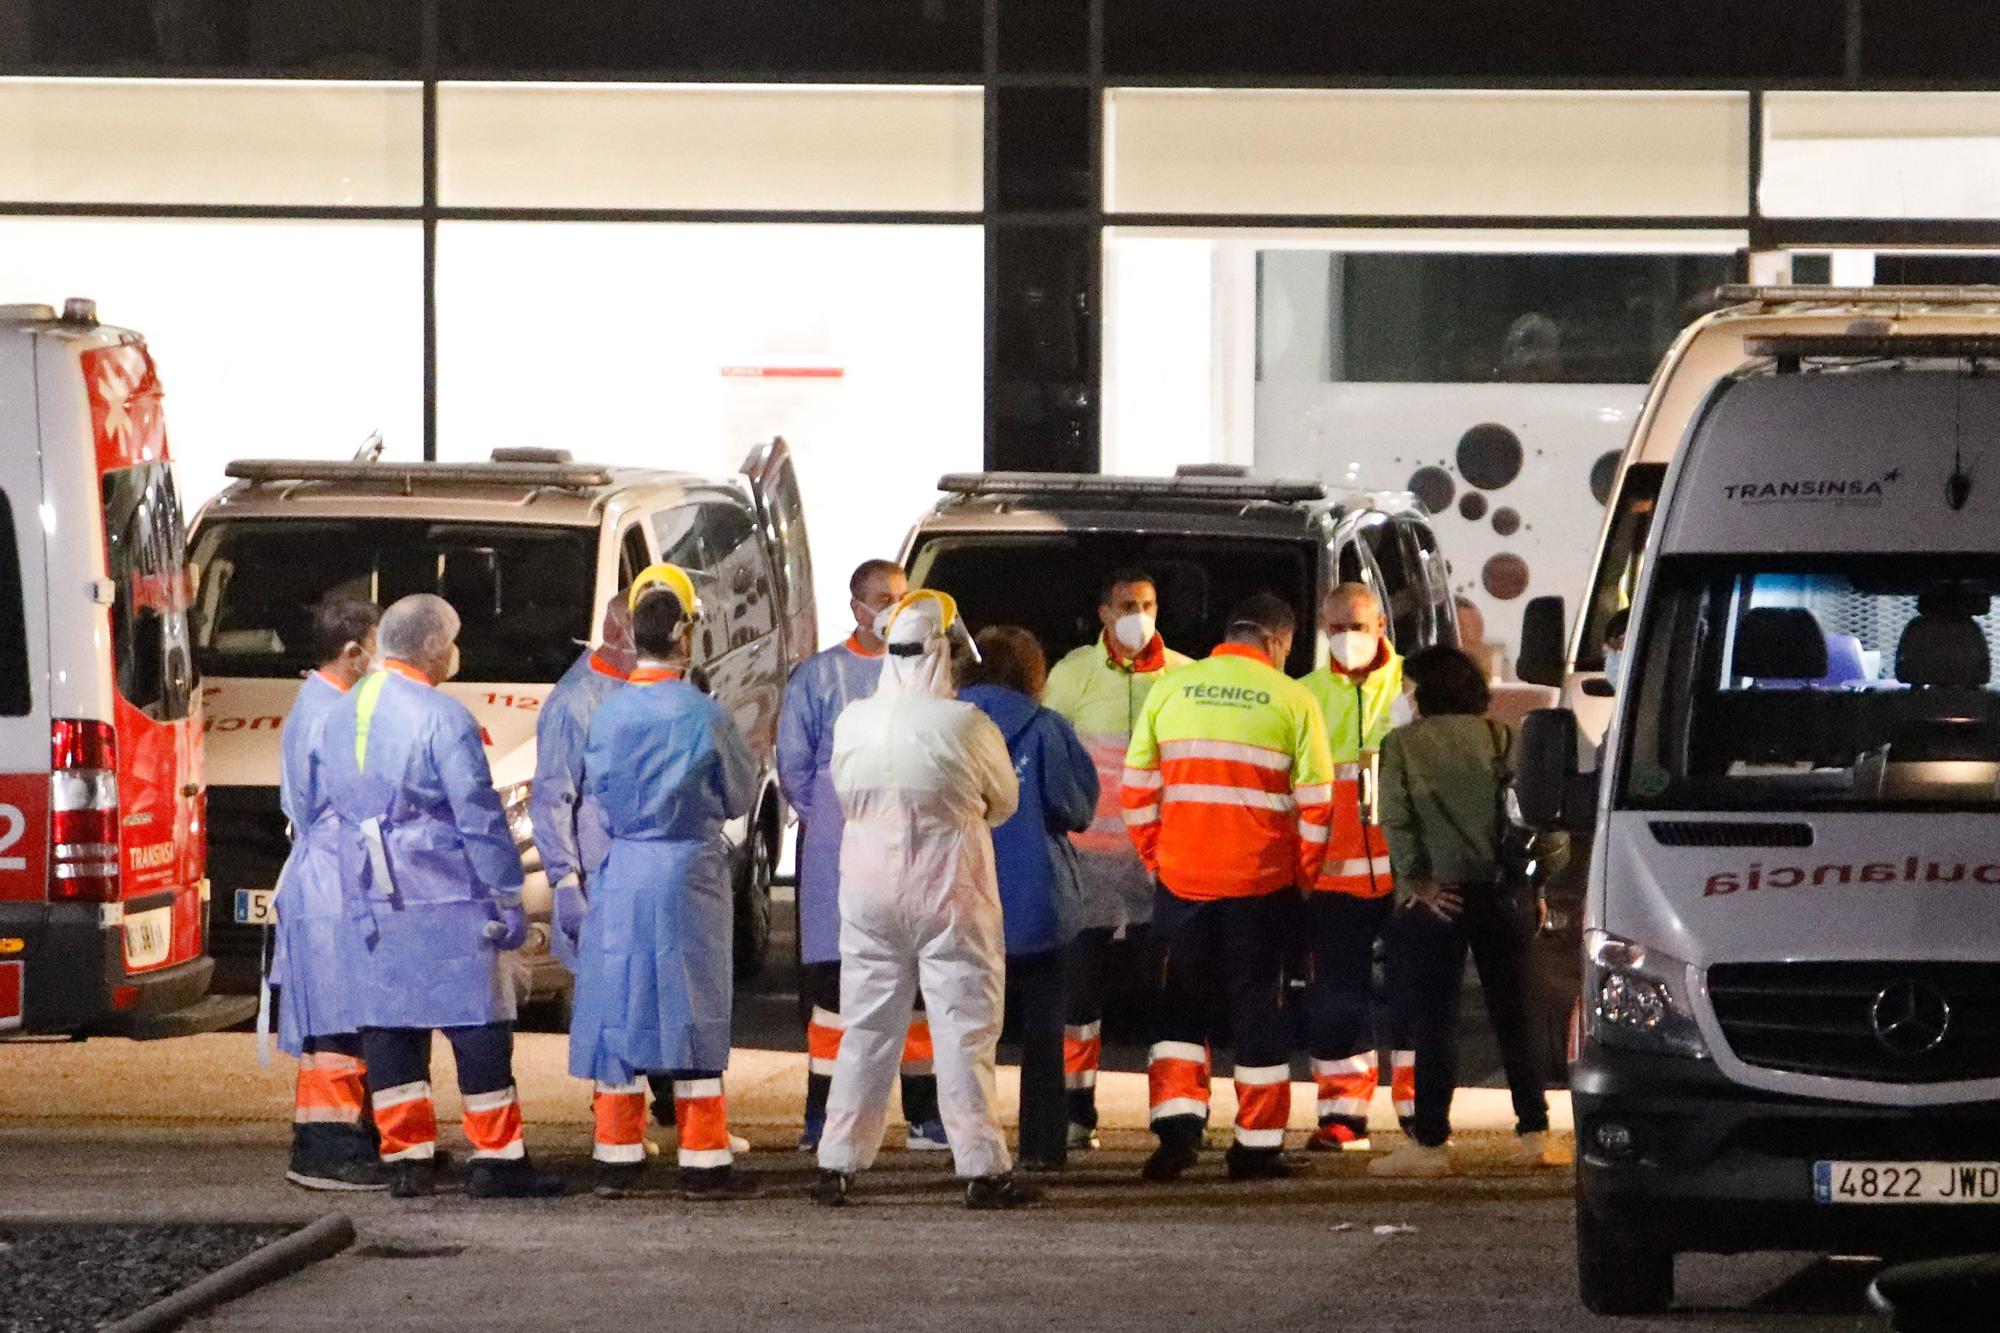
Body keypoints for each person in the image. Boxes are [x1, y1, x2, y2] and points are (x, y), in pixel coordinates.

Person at [324, 593, 561, 1199]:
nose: (457, 652)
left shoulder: (340, 712)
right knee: (478, 1023)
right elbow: (479, 816)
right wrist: (508, 893)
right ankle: (498, 1159)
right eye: (452, 640)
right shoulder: (442, 718)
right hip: (445, 890)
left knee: (389, 1025)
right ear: (433, 648)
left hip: (371, 889)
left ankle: (409, 1158)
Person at [811, 591, 1035, 1210]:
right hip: (949, 889)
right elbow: (1005, 801)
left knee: (866, 1027)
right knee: (963, 1030)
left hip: (867, 890)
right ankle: (983, 1168)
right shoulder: (964, 724)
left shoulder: (853, 718)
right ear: (943, 650)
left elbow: (842, 788)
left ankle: (837, 1163)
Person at [1122, 593, 1334, 1183]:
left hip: (1182, 882)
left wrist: (1158, 860)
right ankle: (1256, 1148)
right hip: (1261, 887)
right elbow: (1317, 807)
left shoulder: (1172, 687)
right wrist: (1304, 879)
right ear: (1278, 641)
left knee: (1180, 1013)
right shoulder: (1295, 699)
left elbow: (1136, 791)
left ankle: (1176, 1136)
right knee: (1259, 1014)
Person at [571, 569, 761, 1200]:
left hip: (624, 868)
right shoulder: (704, 715)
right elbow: (738, 795)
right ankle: (703, 1160)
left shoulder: (608, 711)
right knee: (693, 1003)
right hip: (688, 872)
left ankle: (616, 1156)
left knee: (621, 1001)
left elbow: (593, 792)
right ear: (685, 637)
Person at [777, 559, 947, 1152]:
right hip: (835, 854)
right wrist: (833, 817)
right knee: (833, 996)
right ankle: (822, 1118)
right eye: (882, 599)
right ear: (855, 607)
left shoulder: (926, 672)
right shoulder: (820, 678)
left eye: (902, 598)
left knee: (918, 992)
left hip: (909, 852)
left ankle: (924, 1115)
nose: (893, 609)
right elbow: (794, 768)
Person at [1368, 646, 1554, 1178]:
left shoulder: (1403, 745)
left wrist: (1417, 882)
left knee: (1435, 1018)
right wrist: (1535, 880)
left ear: (1426, 689)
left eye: (1409, 686)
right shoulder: (1504, 739)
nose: (1404, 695)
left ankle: (1430, 1141)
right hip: (1504, 891)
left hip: (1439, 898)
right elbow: (1542, 818)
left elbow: (1397, 821)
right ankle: (1534, 1132)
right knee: (1515, 1013)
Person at [1042, 567, 1191, 1149]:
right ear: (1103, 612)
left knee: (1168, 1001)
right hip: (1086, 870)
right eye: (1128, 603)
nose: (1140, 614)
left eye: (1149, 603)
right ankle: (1074, 1112)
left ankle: (1175, 1121)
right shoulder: (1073, 673)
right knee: (1078, 1002)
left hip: (1161, 868)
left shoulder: (1183, 676)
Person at [958, 626, 1099, 1171]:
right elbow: (1077, 808)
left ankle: (972, 1146)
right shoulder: (1045, 728)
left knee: (967, 1033)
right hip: (1037, 899)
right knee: (1044, 1032)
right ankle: (1042, 1146)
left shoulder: (946, 723)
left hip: (963, 896)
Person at [270, 596, 384, 1191]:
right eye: (376, 643)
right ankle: (326, 1147)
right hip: (332, 878)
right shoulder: (331, 714)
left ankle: (353, 1136)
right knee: (337, 1019)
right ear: (352, 651)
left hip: (330, 873)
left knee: (344, 1012)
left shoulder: (318, 703)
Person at [1298, 582, 1414, 1151]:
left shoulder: (1412, 690)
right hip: (1331, 879)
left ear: (1381, 628)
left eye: (1358, 626)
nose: (1347, 638)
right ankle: (1343, 1116)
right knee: (1337, 995)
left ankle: (1422, 1114)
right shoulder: (1302, 695)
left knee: (1415, 991)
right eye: (1337, 627)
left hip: (1410, 874)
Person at [531, 590, 635, 975]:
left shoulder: (636, 688)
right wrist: (566, 881)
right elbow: (552, 797)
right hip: (596, 879)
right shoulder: (576, 701)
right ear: (616, 629)